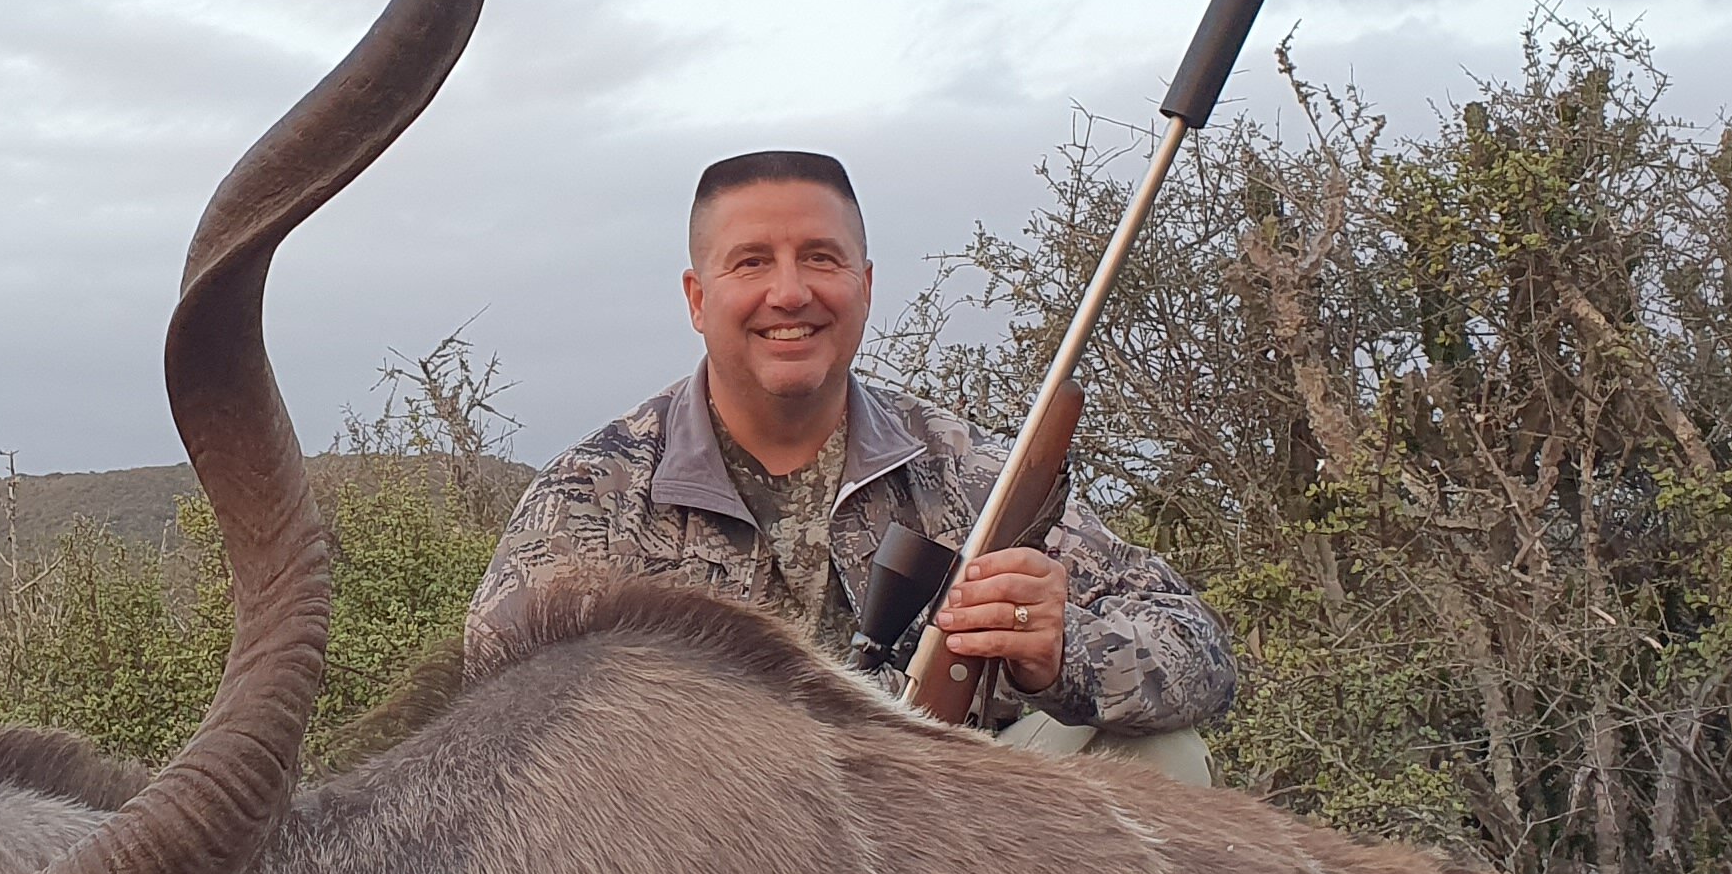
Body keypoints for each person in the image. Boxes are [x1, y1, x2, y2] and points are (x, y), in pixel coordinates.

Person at [466, 149, 1235, 772]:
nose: (791, 292)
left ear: (864, 288)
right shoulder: (592, 497)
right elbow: (490, 731)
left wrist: (1061, 654)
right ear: (698, 299)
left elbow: (1198, 647)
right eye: (752, 263)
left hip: (940, 850)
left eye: (821, 258)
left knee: (1157, 755)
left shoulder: (967, 471)